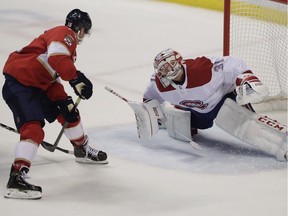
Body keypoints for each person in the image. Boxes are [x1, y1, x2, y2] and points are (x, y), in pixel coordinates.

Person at [2, 9, 108, 200]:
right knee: (33, 130)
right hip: (20, 83)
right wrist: (76, 79)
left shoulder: (66, 46)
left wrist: (62, 99)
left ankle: (81, 148)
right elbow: (56, 59)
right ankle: (16, 179)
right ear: (81, 30)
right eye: (85, 31)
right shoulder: (64, 33)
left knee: (69, 111)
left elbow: (51, 73)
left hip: (39, 84)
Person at [140, 48, 286, 161]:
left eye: (167, 67)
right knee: (183, 120)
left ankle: (282, 143)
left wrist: (246, 78)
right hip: (201, 112)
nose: (164, 72)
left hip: (224, 98)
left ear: (177, 63)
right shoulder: (158, 85)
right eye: (161, 69)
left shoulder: (201, 68)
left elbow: (234, 63)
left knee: (235, 120)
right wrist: (150, 115)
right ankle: (174, 120)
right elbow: (149, 98)